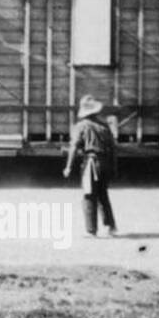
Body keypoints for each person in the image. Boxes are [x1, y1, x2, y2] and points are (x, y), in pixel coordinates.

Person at [63, 94, 118, 237]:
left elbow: (74, 146)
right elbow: (112, 148)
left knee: (89, 195)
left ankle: (91, 230)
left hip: (91, 164)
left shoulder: (81, 126)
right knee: (103, 195)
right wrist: (113, 167)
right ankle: (111, 227)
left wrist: (68, 166)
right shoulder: (104, 126)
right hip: (105, 163)